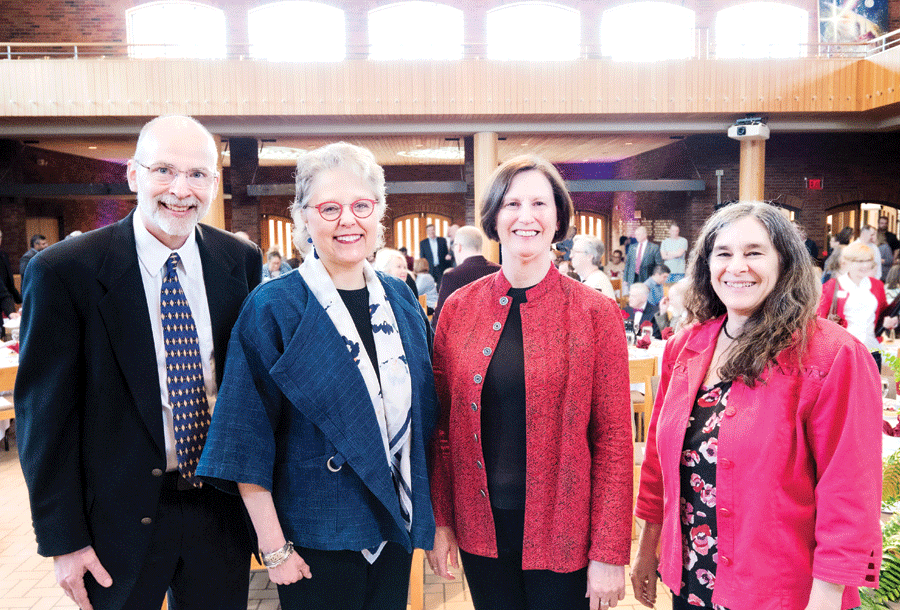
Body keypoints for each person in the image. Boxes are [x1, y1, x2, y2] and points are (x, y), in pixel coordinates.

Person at [14, 115, 261, 610]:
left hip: (219, 511)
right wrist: (64, 541)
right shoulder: (66, 272)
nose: (180, 190)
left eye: (197, 174)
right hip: (115, 521)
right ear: (133, 175)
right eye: (164, 170)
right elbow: (45, 422)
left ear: (215, 182)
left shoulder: (239, 260)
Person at [196, 142, 438, 610]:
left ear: (379, 214)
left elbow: (425, 418)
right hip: (314, 537)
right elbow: (245, 440)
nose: (348, 220)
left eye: (362, 206)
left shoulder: (402, 299)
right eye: (330, 208)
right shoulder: (272, 307)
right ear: (303, 218)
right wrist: (274, 548)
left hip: (392, 527)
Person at [632, 201, 883, 610]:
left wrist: (825, 602)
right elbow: (659, 468)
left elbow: (850, 494)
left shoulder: (831, 356)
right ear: (706, 265)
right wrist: (647, 549)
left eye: (754, 252)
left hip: (782, 592)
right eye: (724, 253)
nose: (737, 266)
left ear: (784, 262)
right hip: (693, 580)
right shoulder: (687, 347)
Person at [427, 155, 632, 610]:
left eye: (539, 203)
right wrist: (441, 521)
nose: (526, 216)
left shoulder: (594, 314)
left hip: (566, 529)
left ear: (558, 217)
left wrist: (609, 552)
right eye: (512, 203)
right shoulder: (459, 309)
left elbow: (615, 439)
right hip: (482, 526)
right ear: (493, 218)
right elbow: (440, 429)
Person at [817, 241, 898, 370]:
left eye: (868, 261)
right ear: (846, 262)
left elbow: (883, 315)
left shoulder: (877, 286)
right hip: (841, 351)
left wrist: (892, 321)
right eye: (859, 261)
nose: (864, 265)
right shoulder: (832, 286)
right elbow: (818, 320)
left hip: (871, 349)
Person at [431, 225, 499, 329]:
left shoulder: (452, 276)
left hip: (463, 340)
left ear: (458, 247)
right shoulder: (499, 271)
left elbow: (441, 320)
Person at [570, 234, 615, 299]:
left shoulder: (595, 284)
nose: (571, 256)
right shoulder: (593, 278)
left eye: (575, 252)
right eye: (572, 251)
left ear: (589, 256)